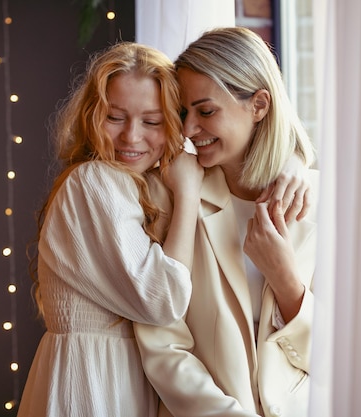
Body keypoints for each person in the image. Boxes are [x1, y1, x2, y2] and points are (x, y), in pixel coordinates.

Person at [134, 26, 319, 417]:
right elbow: (163, 343)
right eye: (183, 113)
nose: (188, 130)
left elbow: (345, 358)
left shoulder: (322, 204)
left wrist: (286, 282)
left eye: (206, 111)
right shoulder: (168, 196)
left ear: (259, 105)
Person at [16, 42, 205, 417]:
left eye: (151, 121)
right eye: (115, 117)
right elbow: (162, 300)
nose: (131, 137)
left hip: (113, 378)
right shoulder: (93, 182)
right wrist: (188, 194)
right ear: (91, 116)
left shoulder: (139, 185)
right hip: (93, 385)